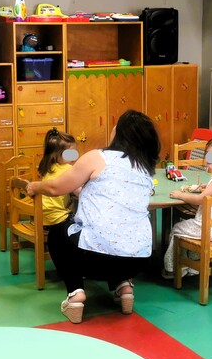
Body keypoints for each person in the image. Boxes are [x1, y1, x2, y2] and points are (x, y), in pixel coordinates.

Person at [26, 110, 159, 324]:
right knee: (118, 234)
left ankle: (75, 295)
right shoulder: (145, 168)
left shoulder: (97, 157)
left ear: (120, 133)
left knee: (58, 234)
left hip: (95, 259)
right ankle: (124, 287)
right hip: (139, 260)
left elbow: (55, 188)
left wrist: (35, 186)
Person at [162, 135, 212, 279]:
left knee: (177, 230)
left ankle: (173, 268)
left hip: (209, 228)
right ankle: (194, 266)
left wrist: (180, 195)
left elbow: (199, 200)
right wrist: (208, 187)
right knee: (189, 231)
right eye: (208, 155)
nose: (209, 158)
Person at [36, 128, 80, 272]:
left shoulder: (48, 167)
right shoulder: (67, 170)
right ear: (57, 154)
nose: (74, 156)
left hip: (43, 217)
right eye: (71, 153)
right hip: (58, 218)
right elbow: (80, 192)